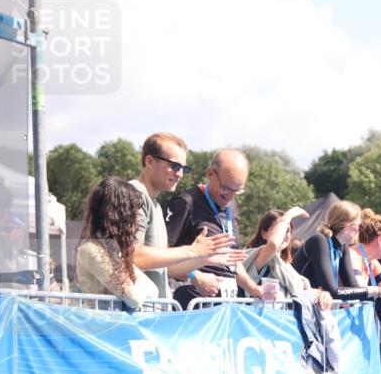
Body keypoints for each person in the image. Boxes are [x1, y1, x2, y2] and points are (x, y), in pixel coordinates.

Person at [130, 132, 235, 299]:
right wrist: (192, 251)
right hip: (135, 314)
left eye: (184, 168)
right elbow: (134, 256)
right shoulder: (134, 195)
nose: (180, 174)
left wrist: (202, 260)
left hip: (153, 312)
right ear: (149, 161)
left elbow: (163, 268)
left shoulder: (155, 205)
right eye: (174, 166)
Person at [165, 149, 261, 309]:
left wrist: (255, 289)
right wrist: (194, 276)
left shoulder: (231, 207)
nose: (230, 196)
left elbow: (232, 260)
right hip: (194, 300)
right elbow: (163, 253)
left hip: (228, 302)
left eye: (238, 191)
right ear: (210, 173)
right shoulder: (186, 202)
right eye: (226, 189)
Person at [292, 199, 381, 304]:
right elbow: (333, 291)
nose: (360, 231)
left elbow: (353, 286)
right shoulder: (319, 241)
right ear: (347, 226)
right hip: (295, 307)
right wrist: (378, 291)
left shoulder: (343, 247)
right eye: (358, 226)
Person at [76, 178, 159, 308]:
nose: (138, 218)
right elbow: (134, 299)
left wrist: (139, 286)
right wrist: (140, 285)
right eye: (134, 211)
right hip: (102, 326)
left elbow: (154, 290)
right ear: (120, 214)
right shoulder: (91, 249)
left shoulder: (112, 251)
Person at [242, 207, 332, 309]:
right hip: (258, 322)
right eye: (279, 229)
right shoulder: (257, 256)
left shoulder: (287, 267)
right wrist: (289, 215)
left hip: (283, 322)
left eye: (288, 230)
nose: (284, 234)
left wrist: (323, 295)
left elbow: (305, 291)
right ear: (264, 233)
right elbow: (273, 245)